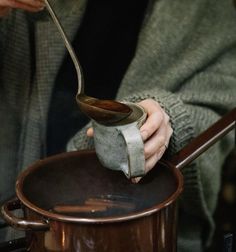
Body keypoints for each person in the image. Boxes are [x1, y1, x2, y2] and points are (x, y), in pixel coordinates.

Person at [0, 0, 235, 251]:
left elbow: (222, 100)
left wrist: (172, 120)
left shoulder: (207, 9)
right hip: (30, 193)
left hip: (144, 226)